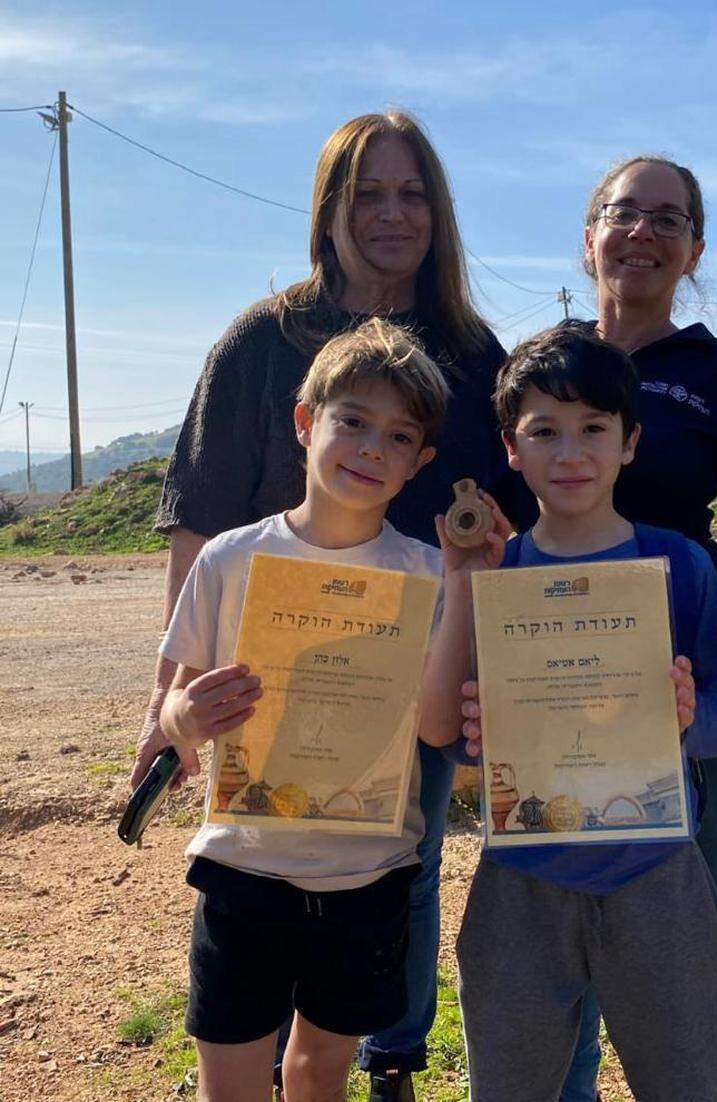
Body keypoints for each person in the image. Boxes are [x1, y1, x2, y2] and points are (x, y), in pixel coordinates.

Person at [132, 110, 527, 1102]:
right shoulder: (264, 340)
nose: (392, 214)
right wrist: (170, 696)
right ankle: (257, 1053)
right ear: (329, 209)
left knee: (406, 856)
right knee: (265, 861)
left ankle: (386, 1057)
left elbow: (504, 513)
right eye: (369, 194)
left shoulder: (472, 352)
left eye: (412, 193)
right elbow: (200, 512)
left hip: (412, 671)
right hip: (266, 676)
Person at [158, 319, 507, 1102]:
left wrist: (461, 585)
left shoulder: (424, 572)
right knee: (233, 1077)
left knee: (319, 1072)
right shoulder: (230, 558)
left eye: (398, 435)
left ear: (420, 463)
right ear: (305, 422)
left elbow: (436, 730)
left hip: (368, 873)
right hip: (242, 864)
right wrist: (186, 719)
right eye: (352, 421)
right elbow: (179, 704)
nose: (371, 448)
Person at [431, 324, 717, 1101]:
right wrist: (478, 736)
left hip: (658, 873)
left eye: (593, 430)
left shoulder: (678, 563)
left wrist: (685, 716)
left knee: (686, 1083)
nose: (570, 453)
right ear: (511, 447)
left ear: (630, 442)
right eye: (544, 432)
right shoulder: (495, 573)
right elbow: (452, 741)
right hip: (521, 879)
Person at [569, 156, 717, 1102]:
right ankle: (563, 1081)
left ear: (695, 248)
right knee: (558, 883)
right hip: (560, 678)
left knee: (714, 891)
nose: (641, 233)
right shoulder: (546, 361)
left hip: (691, 677)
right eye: (622, 213)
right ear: (589, 233)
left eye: (666, 219)